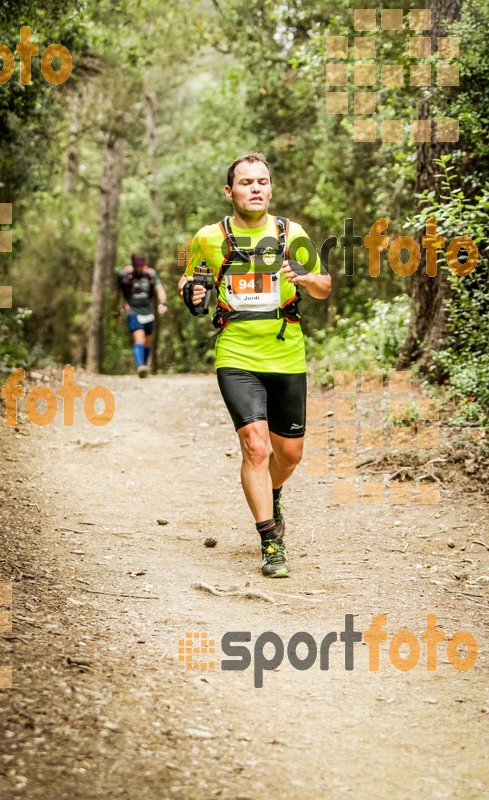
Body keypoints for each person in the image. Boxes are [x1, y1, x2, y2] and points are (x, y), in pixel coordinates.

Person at [178, 153, 331, 577]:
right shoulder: (210, 237)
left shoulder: (290, 233)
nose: (256, 188)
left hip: (286, 353)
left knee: (290, 453)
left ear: (271, 188)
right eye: (246, 182)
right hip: (236, 354)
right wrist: (192, 293)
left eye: (262, 181)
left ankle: (273, 490)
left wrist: (304, 276)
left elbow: (324, 286)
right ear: (230, 192)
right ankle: (271, 543)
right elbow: (191, 279)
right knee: (256, 446)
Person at [114, 252, 167, 378]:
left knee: (147, 341)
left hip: (148, 310)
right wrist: (115, 311)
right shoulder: (125, 274)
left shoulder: (150, 274)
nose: (138, 267)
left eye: (141, 264)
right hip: (133, 310)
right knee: (139, 337)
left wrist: (163, 303)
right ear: (132, 264)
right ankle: (140, 366)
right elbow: (117, 294)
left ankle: (144, 366)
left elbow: (159, 289)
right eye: (136, 264)